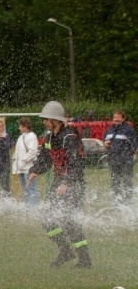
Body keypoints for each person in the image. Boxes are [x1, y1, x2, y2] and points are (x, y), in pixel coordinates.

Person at [27, 101, 91, 268]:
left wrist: (67, 182)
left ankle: (84, 259)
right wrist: (35, 170)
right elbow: (45, 159)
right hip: (58, 183)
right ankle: (65, 251)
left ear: (55, 120)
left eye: (46, 119)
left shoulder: (69, 137)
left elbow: (76, 162)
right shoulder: (49, 138)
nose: (44, 122)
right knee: (47, 218)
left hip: (74, 183)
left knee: (69, 220)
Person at [102, 110, 136, 200]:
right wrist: (105, 144)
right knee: (115, 181)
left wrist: (128, 154)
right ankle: (116, 200)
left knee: (126, 181)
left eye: (118, 118)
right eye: (114, 117)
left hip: (126, 161)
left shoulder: (128, 130)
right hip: (113, 160)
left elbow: (134, 145)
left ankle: (129, 200)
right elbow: (104, 141)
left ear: (123, 119)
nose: (116, 119)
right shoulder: (109, 130)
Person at [11, 117, 39, 204]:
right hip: (20, 168)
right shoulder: (21, 137)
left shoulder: (32, 136)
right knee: (25, 189)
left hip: (28, 168)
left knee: (31, 189)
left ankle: (33, 208)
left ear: (25, 126)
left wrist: (23, 161)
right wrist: (15, 161)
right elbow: (18, 151)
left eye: (20, 126)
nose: (19, 128)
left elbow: (33, 152)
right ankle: (26, 207)